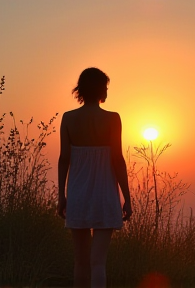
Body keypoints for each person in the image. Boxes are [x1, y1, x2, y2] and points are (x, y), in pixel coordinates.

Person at [57, 67, 132, 288]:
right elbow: (118, 160)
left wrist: (61, 195)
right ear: (101, 90)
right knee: (98, 263)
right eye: (106, 87)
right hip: (105, 195)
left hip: (78, 194)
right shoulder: (112, 119)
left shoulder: (69, 118)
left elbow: (64, 159)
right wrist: (126, 197)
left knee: (80, 262)